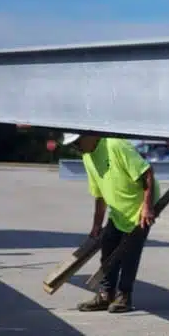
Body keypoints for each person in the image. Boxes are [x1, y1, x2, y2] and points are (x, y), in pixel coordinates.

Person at [61, 133, 159, 313]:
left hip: (139, 208)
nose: (76, 147)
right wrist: (97, 225)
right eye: (73, 145)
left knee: (129, 253)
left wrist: (147, 207)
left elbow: (147, 173)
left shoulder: (115, 145)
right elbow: (99, 194)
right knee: (108, 249)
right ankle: (106, 295)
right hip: (118, 210)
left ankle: (124, 296)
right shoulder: (88, 157)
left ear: (90, 134)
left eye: (77, 142)